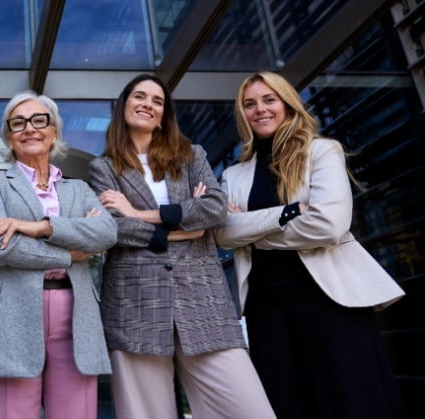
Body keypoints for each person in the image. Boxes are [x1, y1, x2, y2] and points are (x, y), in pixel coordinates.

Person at [214, 71, 407, 419]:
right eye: (249, 104)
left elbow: (329, 225)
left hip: (328, 299)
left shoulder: (321, 151)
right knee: (286, 404)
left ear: (287, 103)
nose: (260, 109)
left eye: (269, 100)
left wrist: (255, 233)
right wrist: (287, 213)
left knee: (350, 402)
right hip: (265, 308)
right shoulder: (234, 175)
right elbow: (225, 234)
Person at [88, 74, 275, 419]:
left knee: (248, 409)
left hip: (203, 299)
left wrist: (141, 213)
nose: (147, 104)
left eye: (156, 101)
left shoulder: (192, 156)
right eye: (139, 96)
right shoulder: (103, 167)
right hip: (134, 303)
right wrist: (186, 231)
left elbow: (214, 210)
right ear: (124, 106)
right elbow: (114, 228)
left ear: (163, 116)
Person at [0, 91, 116, 419]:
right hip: (8, 311)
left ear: (54, 131)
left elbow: (106, 233)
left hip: (75, 312)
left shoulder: (79, 188)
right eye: (18, 123)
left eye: (38, 120)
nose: (29, 128)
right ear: (8, 136)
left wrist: (38, 228)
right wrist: (70, 254)